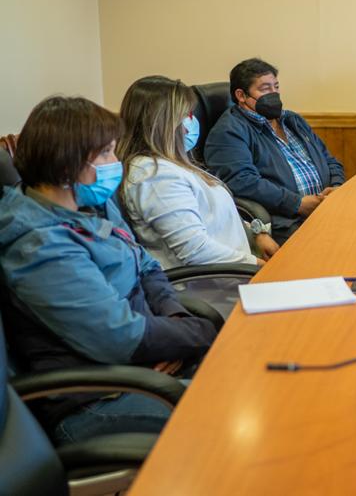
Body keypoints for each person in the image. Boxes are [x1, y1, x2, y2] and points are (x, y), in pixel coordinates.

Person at [0, 96, 216, 443]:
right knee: (231, 412)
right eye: (106, 153)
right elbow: (119, 337)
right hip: (97, 396)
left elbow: (146, 265)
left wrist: (176, 322)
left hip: (145, 365)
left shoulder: (90, 204)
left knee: (255, 375)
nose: (116, 162)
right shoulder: (38, 245)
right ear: (69, 166)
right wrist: (202, 332)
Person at [118, 76, 278, 269]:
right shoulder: (155, 176)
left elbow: (214, 218)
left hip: (234, 268)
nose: (189, 125)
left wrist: (255, 233)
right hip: (211, 285)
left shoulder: (172, 164)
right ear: (163, 123)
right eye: (186, 115)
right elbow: (195, 251)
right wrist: (258, 265)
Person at [204, 58, 345, 245]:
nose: (274, 94)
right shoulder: (229, 131)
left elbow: (329, 160)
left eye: (276, 87)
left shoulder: (292, 120)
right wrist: (297, 204)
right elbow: (241, 182)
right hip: (286, 222)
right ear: (241, 95)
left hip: (326, 210)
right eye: (265, 89)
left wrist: (336, 188)